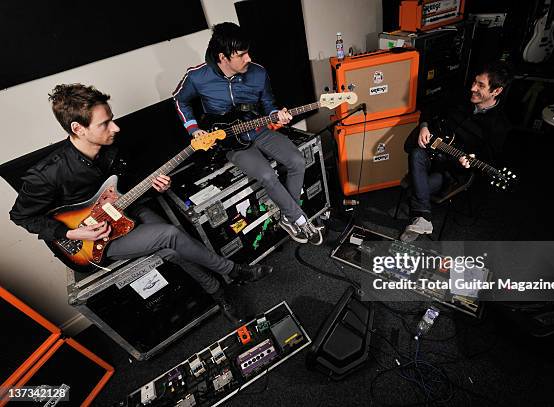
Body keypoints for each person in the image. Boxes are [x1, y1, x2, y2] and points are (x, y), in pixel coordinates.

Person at [9, 84, 273, 326]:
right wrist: (71, 232)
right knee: (169, 234)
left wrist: (157, 184)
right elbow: (21, 216)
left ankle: (218, 294)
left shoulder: (110, 149)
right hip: (91, 241)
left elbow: (127, 182)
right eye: (105, 123)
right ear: (78, 129)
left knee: (172, 249)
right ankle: (235, 271)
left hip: (125, 210)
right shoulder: (47, 174)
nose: (116, 128)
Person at [172, 22, 324, 245]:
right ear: (223, 57)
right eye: (241, 54)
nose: (248, 58)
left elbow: (268, 103)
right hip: (229, 141)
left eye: (247, 52)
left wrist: (276, 114)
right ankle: (300, 220)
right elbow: (179, 100)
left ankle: (288, 217)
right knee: (267, 176)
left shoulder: (258, 73)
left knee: (297, 161)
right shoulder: (197, 76)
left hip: (258, 129)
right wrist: (194, 130)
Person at [401, 62, 512, 241]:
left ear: (496, 91)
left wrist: (472, 162)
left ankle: (421, 215)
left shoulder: (500, 126)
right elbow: (430, 107)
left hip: (450, 171)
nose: (473, 88)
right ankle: (424, 218)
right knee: (416, 154)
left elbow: (490, 160)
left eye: (480, 85)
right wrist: (424, 126)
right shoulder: (460, 97)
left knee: (417, 187)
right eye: (475, 82)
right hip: (430, 154)